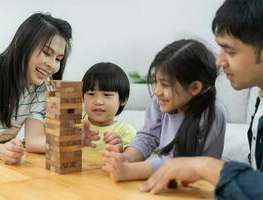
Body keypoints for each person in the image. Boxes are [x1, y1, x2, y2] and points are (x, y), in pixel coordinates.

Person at [138, 0, 263, 198]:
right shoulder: (260, 106)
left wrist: (205, 166)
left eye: (229, 51)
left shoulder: (212, 113)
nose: (219, 62)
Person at [101, 39, 226, 182]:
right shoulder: (160, 101)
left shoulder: (212, 113)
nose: (157, 91)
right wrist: (126, 158)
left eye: (165, 85)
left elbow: (178, 161)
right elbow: (147, 137)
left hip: (199, 188)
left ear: (194, 88)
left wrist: (129, 171)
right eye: (156, 81)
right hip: (166, 181)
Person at [0, 13, 72, 165]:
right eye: (47, 53)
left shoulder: (40, 88)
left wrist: (73, 138)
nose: (52, 65)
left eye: (58, 59)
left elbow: (33, 141)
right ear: (21, 43)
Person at [81, 62, 136, 151]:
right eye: (91, 94)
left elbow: (131, 160)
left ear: (123, 99)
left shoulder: (126, 132)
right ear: (82, 97)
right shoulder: (75, 121)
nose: (98, 101)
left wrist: (121, 152)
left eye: (106, 95)